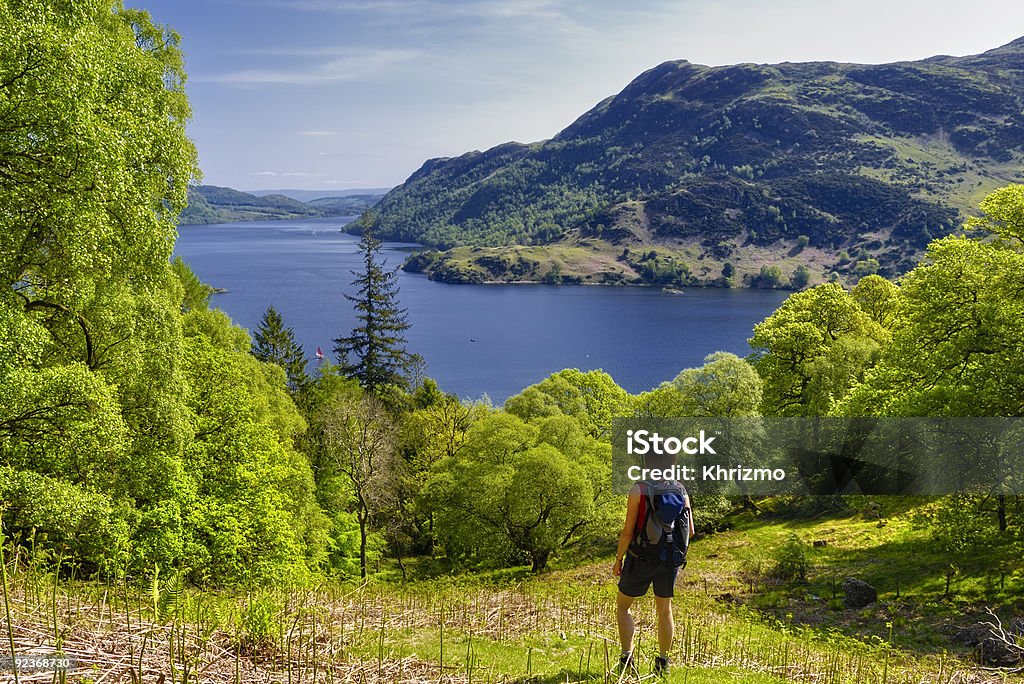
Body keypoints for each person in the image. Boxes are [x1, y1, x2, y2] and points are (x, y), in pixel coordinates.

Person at [613, 457, 694, 677]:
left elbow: (628, 532)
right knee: (664, 611)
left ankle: (626, 659)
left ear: (647, 463)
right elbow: (691, 531)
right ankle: (663, 664)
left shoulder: (639, 489)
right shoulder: (680, 489)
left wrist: (619, 559)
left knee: (623, 606)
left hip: (640, 557)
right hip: (669, 561)